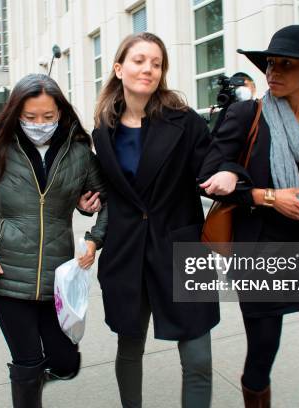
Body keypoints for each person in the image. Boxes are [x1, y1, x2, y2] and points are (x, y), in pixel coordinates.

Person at [199, 25, 299, 407]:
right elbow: (207, 174)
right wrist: (269, 196)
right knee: (262, 355)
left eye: (286, 64)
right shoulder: (246, 114)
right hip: (261, 252)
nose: (273, 72)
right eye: (270, 63)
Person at [0, 73, 107, 407]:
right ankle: (29, 378)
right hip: (3, 273)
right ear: (15, 113)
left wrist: (94, 234)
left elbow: (104, 199)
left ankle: (40, 371)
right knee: (26, 362)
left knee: (66, 362)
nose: (39, 124)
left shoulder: (78, 152)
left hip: (56, 277)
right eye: (29, 117)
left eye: (48, 116)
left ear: (61, 113)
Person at [92, 32, 221, 408]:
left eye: (156, 63)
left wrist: (227, 174)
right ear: (119, 68)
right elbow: (109, 187)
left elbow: (213, 163)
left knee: (198, 358)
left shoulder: (185, 123)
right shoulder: (103, 130)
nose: (148, 68)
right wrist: (91, 199)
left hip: (180, 248)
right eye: (139, 60)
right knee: (129, 348)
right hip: (126, 252)